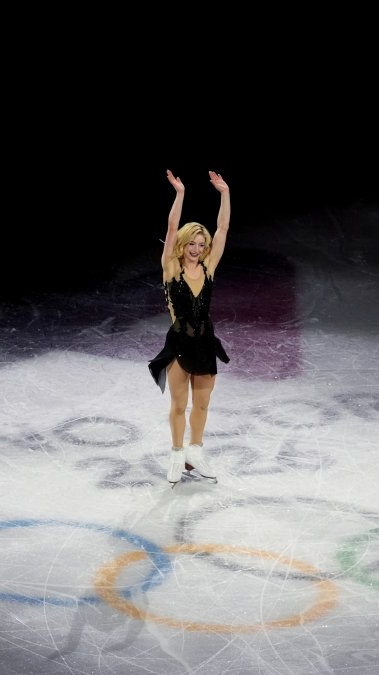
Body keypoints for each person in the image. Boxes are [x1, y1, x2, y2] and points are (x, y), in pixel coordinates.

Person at [148, 169, 231, 487]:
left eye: (201, 243)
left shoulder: (209, 269)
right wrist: (180, 194)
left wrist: (224, 193)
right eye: (191, 243)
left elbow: (223, 227)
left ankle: (195, 451)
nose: (196, 248)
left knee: (203, 404)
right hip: (179, 343)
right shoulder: (170, 268)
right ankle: (175, 454)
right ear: (183, 245)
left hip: (206, 343)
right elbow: (170, 228)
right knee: (179, 405)